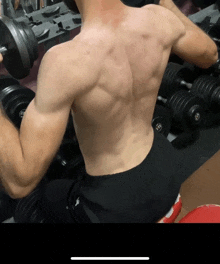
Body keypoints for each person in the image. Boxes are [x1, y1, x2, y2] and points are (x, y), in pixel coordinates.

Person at [0, 0, 218, 223]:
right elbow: (210, 54)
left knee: (47, 196)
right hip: (166, 168)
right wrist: (168, 6)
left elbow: (20, 182)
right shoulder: (159, 19)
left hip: (115, 203)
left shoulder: (66, 61)